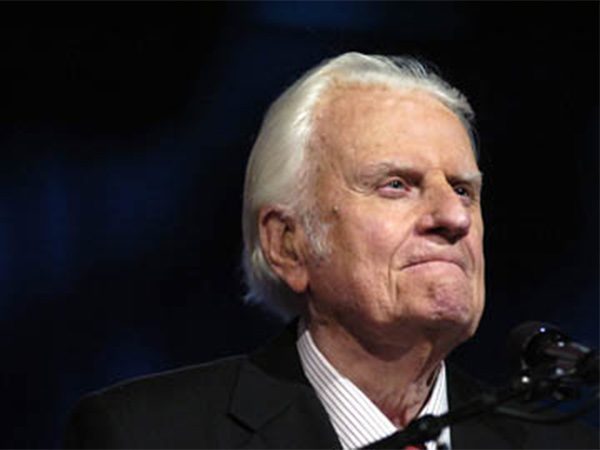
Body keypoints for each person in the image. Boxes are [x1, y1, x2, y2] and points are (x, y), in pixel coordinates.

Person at [65, 52, 597, 449]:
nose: (454, 217)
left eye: (463, 190)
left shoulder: (564, 447)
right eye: (396, 185)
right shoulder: (147, 436)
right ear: (288, 244)